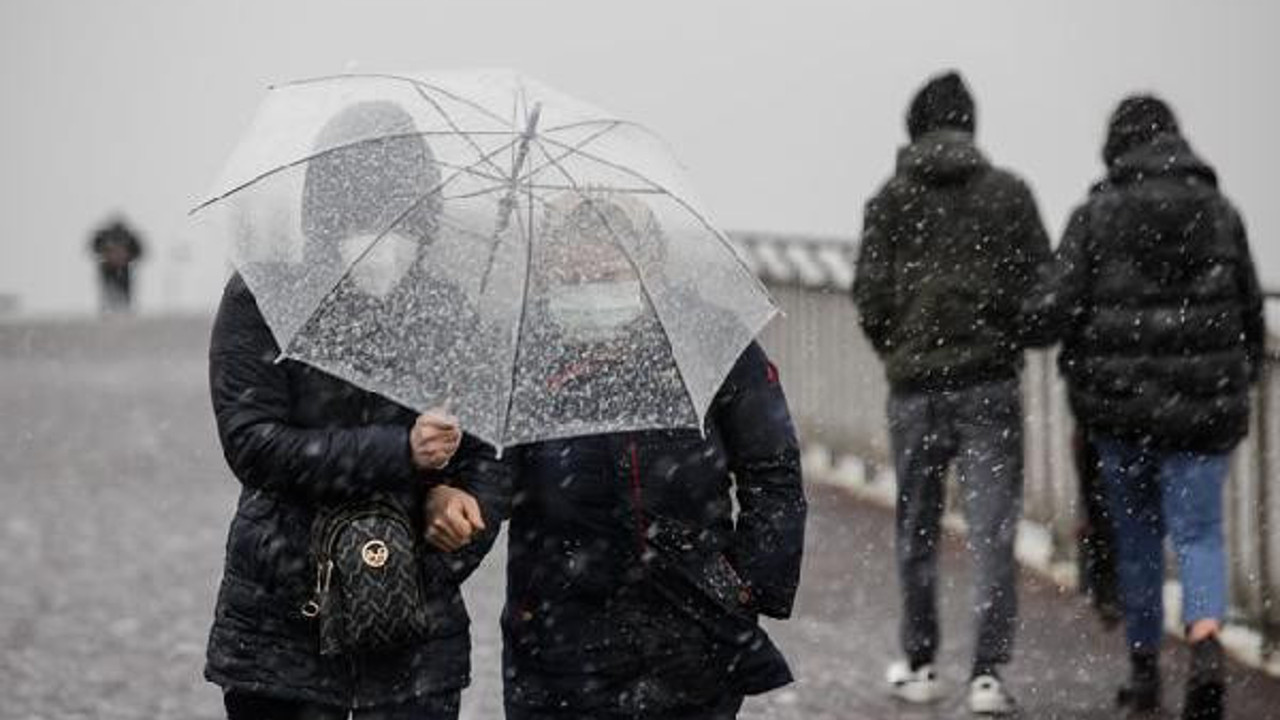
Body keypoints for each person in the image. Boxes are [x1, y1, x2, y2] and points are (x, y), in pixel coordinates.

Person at [205, 100, 510, 720]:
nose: (381, 233)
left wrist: (454, 518)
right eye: (360, 210)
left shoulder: (455, 312)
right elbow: (252, 442)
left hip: (415, 629)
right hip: (281, 624)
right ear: (325, 206)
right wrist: (398, 452)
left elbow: (491, 458)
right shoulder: (266, 298)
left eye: (399, 209)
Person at [482, 193, 807, 719]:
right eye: (575, 279)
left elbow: (772, 470)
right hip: (554, 635)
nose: (592, 293)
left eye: (609, 275)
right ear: (547, 271)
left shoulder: (708, 337)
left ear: (648, 265)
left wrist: (747, 584)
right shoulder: (521, 347)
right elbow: (486, 479)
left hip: (690, 628)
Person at [1024, 95, 1264, 720]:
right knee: (1200, 533)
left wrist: (1021, 316)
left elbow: (1054, 309)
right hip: (1202, 414)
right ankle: (1206, 638)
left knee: (1135, 541)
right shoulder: (1220, 212)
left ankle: (1145, 670)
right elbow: (1250, 314)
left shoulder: (1095, 216)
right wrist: (1234, 380)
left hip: (1119, 413)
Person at [852, 70, 1051, 715]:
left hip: (915, 391)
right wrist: (1003, 334)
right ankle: (987, 675)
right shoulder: (1009, 195)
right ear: (971, 124)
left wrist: (903, 351)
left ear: (913, 127)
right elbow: (1040, 286)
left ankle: (920, 660)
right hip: (988, 384)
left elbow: (871, 297)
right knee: (992, 532)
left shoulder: (888, 200)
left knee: (917, 528)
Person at [88, 216, 144, 314]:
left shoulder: (128, 236)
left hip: (123, 265)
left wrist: (128, 258)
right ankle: (108, 306)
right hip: (108, 265)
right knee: (108, 286)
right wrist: (104, 254)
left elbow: (139, 251)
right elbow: (94, 246)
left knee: (124, 286)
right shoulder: (105, 235)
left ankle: (125, 306)